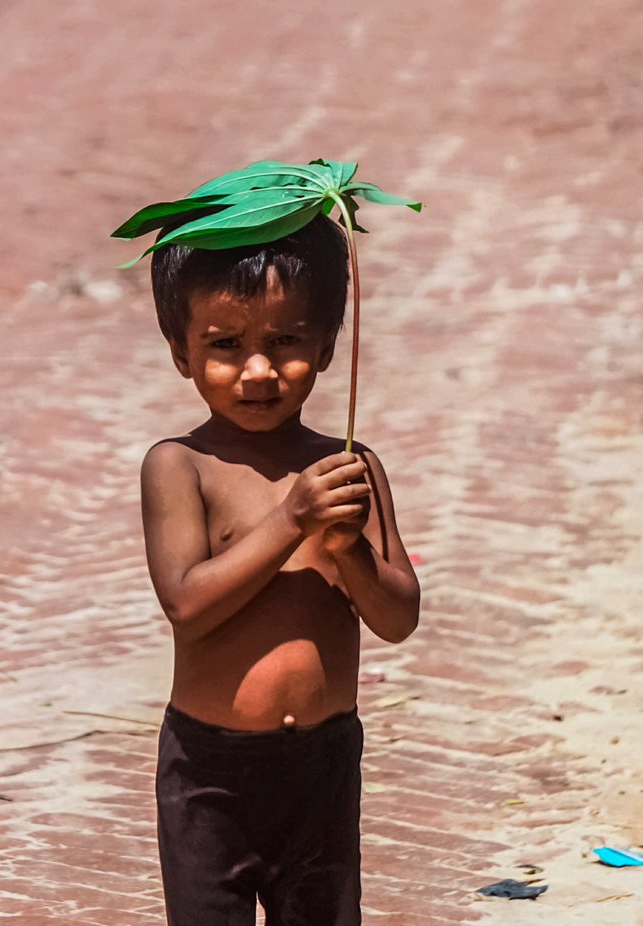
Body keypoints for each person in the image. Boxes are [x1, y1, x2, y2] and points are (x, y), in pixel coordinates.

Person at [140, 213, 420, 926]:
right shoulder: (182, 467)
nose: (258, 371)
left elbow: (396, 617)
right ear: (181, 350)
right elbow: (187, 605)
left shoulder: (349, 469)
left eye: (285, 342)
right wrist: (291, 520)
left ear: (327, 346)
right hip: (211, 774)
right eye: (226, 346)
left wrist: (348, 547)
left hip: (321, 766)